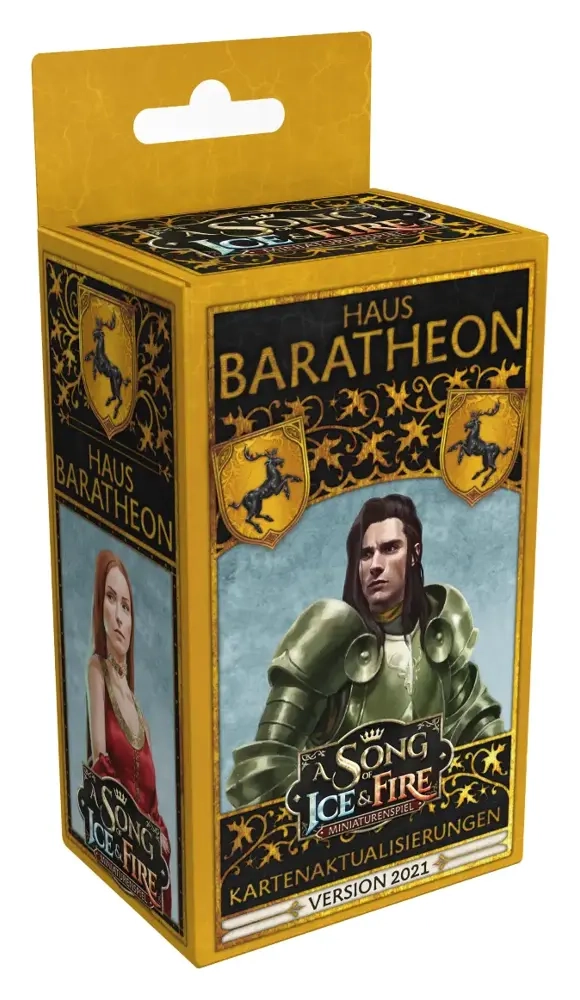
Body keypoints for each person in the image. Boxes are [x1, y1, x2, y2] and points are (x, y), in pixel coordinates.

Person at [226, 493, 504, 809]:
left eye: (390, 548)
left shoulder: (439, 632)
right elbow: (261, 772)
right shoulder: (328, 635)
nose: (375, 565)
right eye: (365, 554)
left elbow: (485, 736)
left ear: (414, 554)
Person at [86, 549, 171, 916]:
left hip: (150, 869)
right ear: (99, 608)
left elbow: (153, 805)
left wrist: (160, 835)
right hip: (119, 853)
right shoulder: (97, 671)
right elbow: (100, 764)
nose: (120, 616)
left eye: (127, 606)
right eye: (110, 599)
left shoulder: (139, 711)